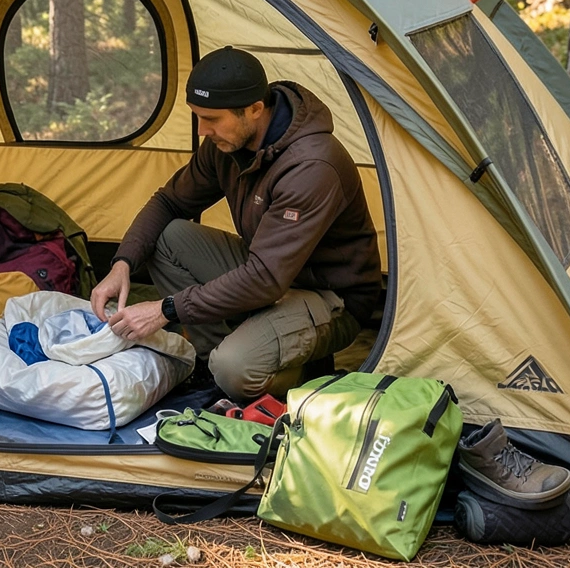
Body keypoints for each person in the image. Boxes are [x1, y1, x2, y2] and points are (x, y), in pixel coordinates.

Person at [91, 46, 383, 401]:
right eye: (198, 117)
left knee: (236, 368)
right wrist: (122, 263)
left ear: (256, 110)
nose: (202, 131)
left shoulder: (312, 166)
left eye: (211, 119)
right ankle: (212, 359)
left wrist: (165, 310)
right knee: (167, 239)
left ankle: (305, 372)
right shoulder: (227, 143)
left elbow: (264, 280)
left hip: (331, 297)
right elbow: (169, 202)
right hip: (267, 270)